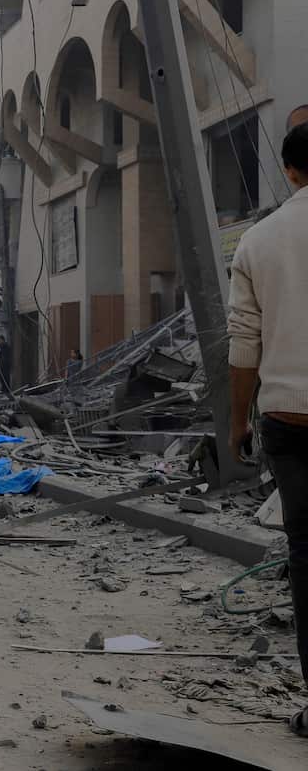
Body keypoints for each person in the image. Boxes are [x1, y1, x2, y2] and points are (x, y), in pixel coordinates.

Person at [229, 124, 308, 737]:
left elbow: (243, 344)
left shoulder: (258, 241)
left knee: (305, 561)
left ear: (288, 171)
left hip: (288, 418)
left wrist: (237, 420)